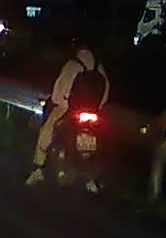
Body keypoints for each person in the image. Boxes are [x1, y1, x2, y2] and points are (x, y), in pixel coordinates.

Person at [26, 43, 110, 191]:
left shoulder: (73, 65)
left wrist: (57, 102)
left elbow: (58, 92)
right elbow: (106, 92)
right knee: (97, 141)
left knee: (47, 129)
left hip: (69, 109)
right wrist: (97, 108)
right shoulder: (99, 67)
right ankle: (91, 180)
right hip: (93, 112)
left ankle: (38, 168)